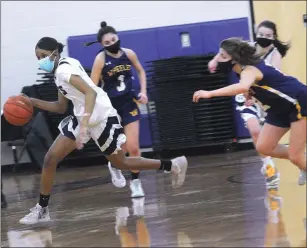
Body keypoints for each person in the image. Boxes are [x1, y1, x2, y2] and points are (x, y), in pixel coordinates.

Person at [18, 37, 188, 225]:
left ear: (54, 53)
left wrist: (84, 125)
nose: (40, 60)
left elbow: (90, 93)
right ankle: (42, 209)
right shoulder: (62, 68)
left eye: (42, 56)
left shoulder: (64, 70)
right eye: (37, 57)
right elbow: (60, 106)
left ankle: (172, 165)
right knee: (50, 159)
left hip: (99, 117)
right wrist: (32, 102)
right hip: (82, 115)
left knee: (121, 162)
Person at [193, 37, 306, 179]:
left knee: (296, 157)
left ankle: (300, 159)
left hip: (298, 102)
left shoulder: (249, 70)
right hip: (279, 108)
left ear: (233, 59)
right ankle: (302, 158)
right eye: (219, 54)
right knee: (264, 147)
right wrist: (249, 93)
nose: (219, 58)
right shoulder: (240, 66)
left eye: (223, 56)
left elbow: (242, 85)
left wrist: (210, 93)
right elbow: (251, 85)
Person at [87, 21, 148, 198]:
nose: (112, 43)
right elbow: (92, 87)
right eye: (107, 43)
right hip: (110, 108)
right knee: (120, 149)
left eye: (114, 39)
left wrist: (143, 92)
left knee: (134, 148)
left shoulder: (129, 54)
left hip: (129, 104)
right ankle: (114, 165)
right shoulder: (100, 60)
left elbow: (141, 71)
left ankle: (135, 182)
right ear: (102, 45)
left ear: (118, 37)